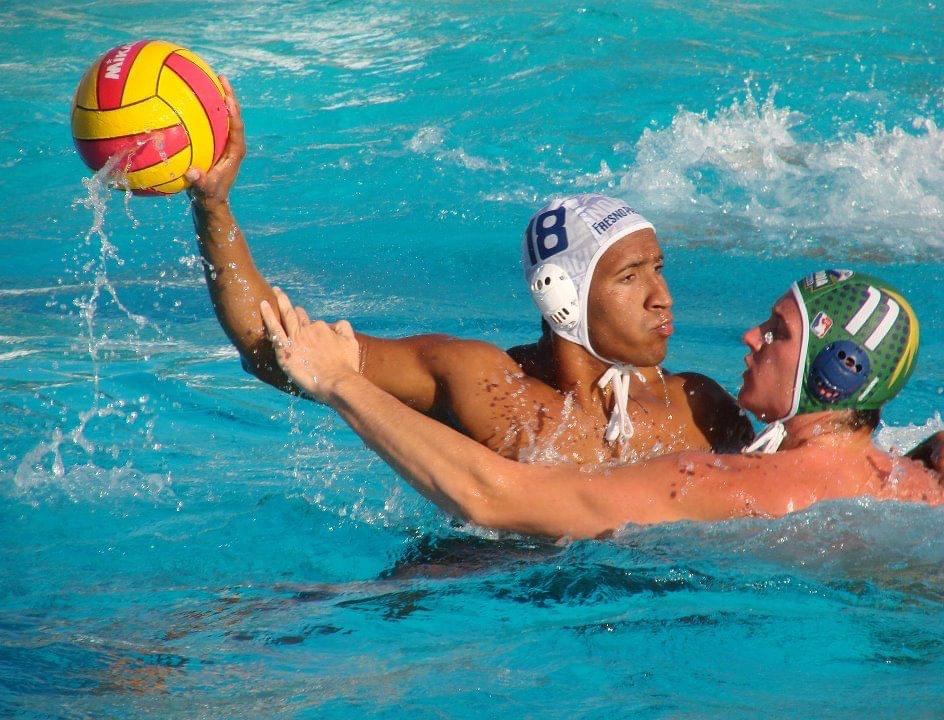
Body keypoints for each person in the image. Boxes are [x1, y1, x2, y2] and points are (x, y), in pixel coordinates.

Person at [185, 78, 751, 468]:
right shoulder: (483, 382)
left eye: (658, 269)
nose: (662, 297)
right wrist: (214, 206)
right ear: (561, 294)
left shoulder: (697, 407)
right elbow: (274, 351)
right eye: (630, 277)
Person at [258, 270, 944, 540]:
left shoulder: (722, 484)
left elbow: (490, 498)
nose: (751, 336)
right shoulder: (917, 483)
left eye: (779, 332)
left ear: (837, 372)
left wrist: (340, 384)